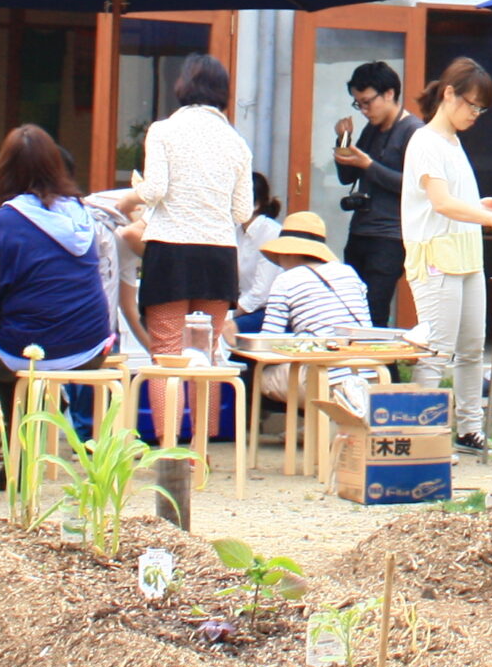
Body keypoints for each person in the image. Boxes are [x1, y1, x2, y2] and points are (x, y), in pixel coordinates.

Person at [0, 125, 121, 489]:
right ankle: (16, 470)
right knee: (10, 354)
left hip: (32, 344)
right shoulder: (79, 214)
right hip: (91, 345)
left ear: (5, 168)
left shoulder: (4, 220)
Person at [401, 57, 492, 451]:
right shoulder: (425, 141)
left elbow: (456, 198)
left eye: (480, 109)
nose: (475, 114)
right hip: (436, 256)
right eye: (472, 105)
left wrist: (484, 206)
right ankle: (422, 435)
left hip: (467, 255)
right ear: (448, 94)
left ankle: (469, 430)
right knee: (437, 347)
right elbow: (440, 203)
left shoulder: (453, 142)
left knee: (472, 347)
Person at [139, 55, 257, 432]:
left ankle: (170, 449)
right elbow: (242, 212)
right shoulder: (237, 143)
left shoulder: (163, 131)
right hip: (218, 252)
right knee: (206, 354)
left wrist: (135, 190)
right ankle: (201, 452)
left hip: (171, 247)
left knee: (167, 353)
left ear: (183, 86)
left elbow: (155, 189)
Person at [250, 211, 370, 401]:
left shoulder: (285, 280)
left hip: (324, 379)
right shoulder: (349, 273)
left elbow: (268, 342)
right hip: (368, 374)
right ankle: (317, 426)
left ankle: (301, 425)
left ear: (288, 252)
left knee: (261, 376)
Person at [331, 60, 417, 327]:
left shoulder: (414, 131)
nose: (364, 110)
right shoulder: (371, 130)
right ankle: (362, 368)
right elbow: (347, 176)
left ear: (389, 93)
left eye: (367, 102)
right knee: (352, 311)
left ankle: (383, 369)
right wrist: (343, 142)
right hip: (360, 232)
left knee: (374, 312)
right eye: (358, 104)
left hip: (391, 235)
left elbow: (416, 186)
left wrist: (368, 164)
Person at [237, 173, 286, 328]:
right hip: (244, 306)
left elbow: (261, 293)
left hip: (270, 310)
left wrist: (230, 314)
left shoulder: (271, 232)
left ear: (256, 204)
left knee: (226, 328)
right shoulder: (236, 231)